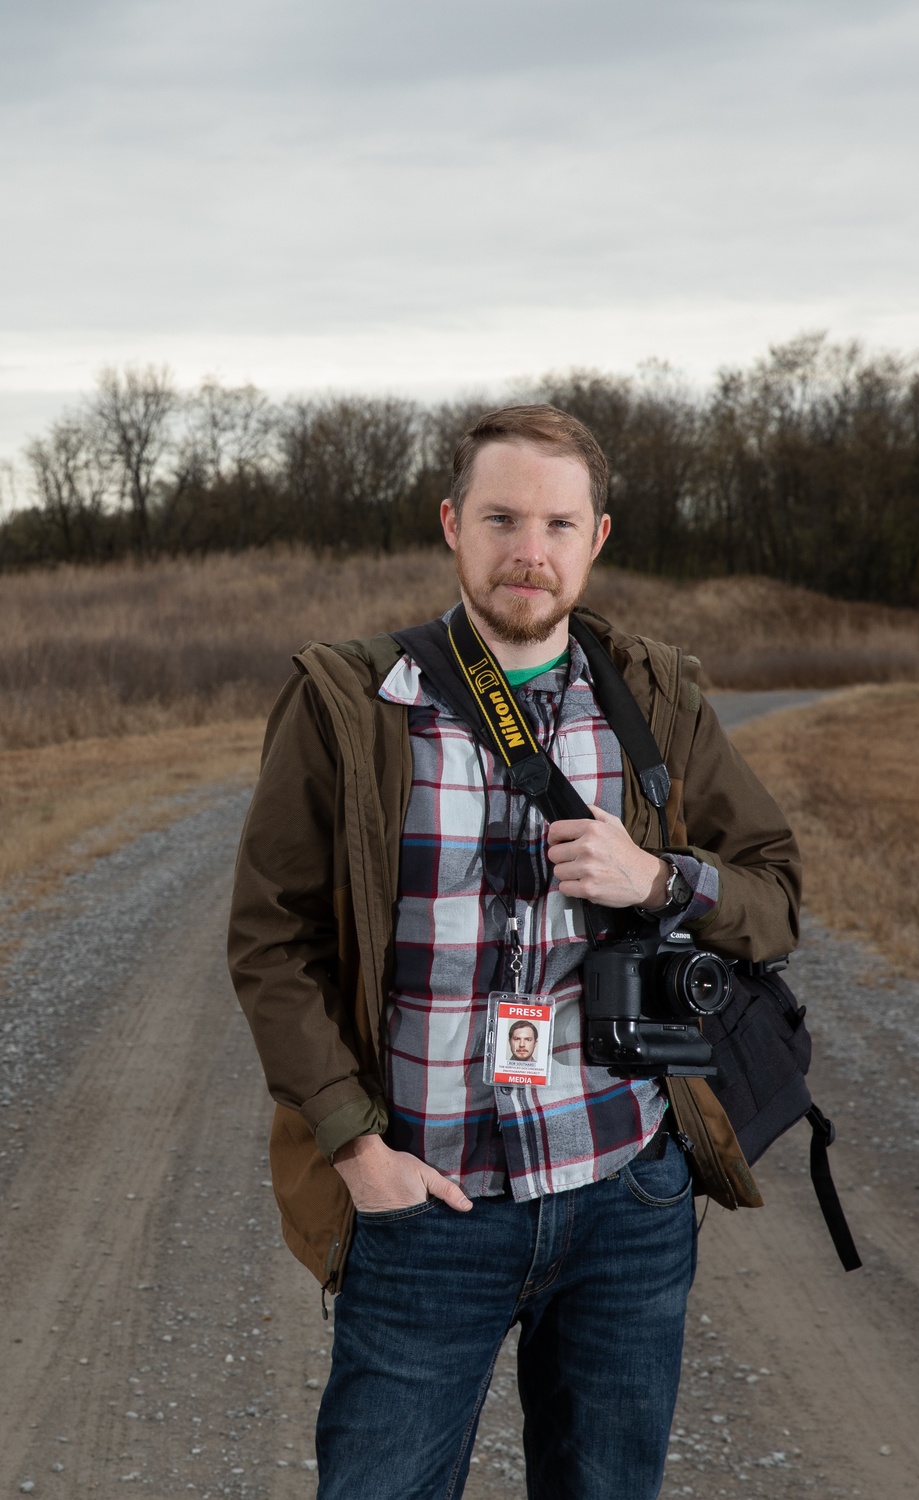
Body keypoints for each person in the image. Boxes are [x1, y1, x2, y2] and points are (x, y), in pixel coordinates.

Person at [228, 404, 801, 1500]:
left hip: (625, 1196)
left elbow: (774, 891)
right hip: (426, 1203)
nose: (527, 551)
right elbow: (271, 941)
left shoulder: (654, 697)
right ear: (452, 524)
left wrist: (661, 879)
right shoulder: (351, 702)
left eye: (556, 523)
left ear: (598, 538)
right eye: (500, 517)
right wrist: (357, 1152)